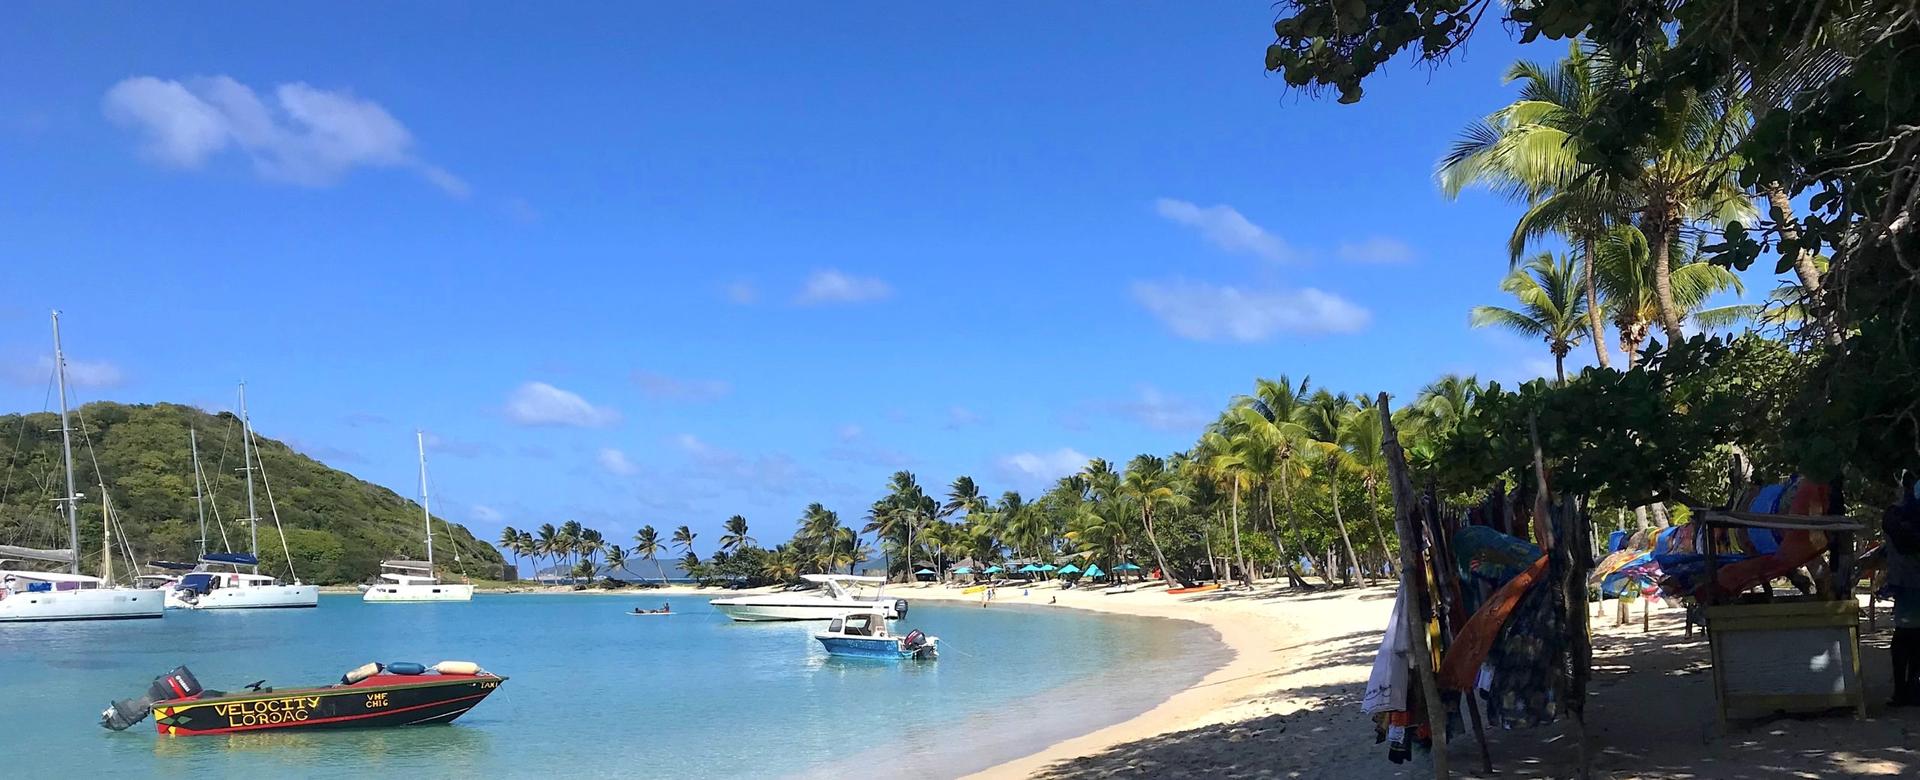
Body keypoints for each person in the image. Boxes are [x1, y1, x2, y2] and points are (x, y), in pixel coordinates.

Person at [1884, 472, 1920, 707]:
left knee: (1904, 639)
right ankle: (1910, 690)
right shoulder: (1902, 514)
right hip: (1909, 581)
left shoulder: (1894, 514)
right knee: (1913, 638)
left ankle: (1904, 692)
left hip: (1907, 582)